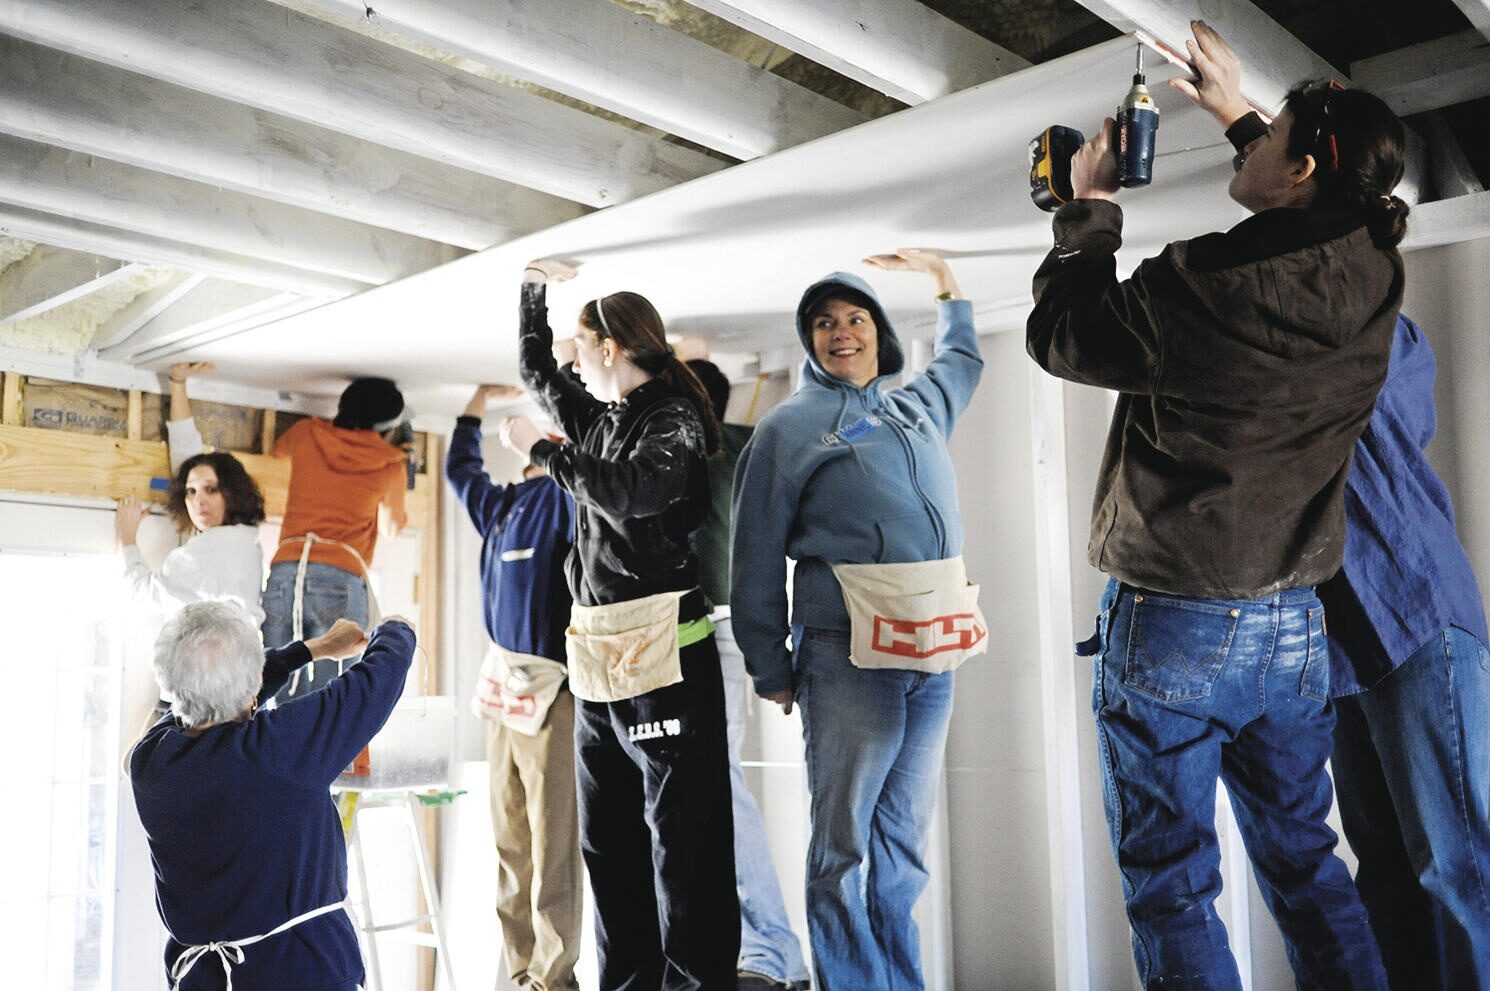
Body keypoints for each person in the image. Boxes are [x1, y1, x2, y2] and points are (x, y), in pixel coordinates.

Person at [1025, 20, 1408, 990]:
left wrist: (1090, 207)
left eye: (1272, 137)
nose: (1257, 141)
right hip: (1288, 626)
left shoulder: (1206, 287)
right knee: (1305, 863)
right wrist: (1239, 111)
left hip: (1173, 626)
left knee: (1170, 884)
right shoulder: (1373, 262)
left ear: (1300, 170)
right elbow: (1319, 203)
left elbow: (1063, 335)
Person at [730, 248, 985, 991]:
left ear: (879, 331)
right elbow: (753, 557)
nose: (842, 332)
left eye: (856, 318)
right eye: (824, 323)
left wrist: (944, 281)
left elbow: (963, 358)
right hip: (845, 652)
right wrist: (770, 665)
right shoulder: (787, 428)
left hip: (933, 650)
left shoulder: (917, 405)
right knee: (843, 845)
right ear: (809, 341)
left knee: (902, 845)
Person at [499, 258, 738, 991]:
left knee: (684, 850)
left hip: (667, 662)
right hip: (599, 660)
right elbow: (536, 367)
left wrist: (542, 452)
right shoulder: (600, 418)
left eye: (583, 347)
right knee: (609, 845)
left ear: (610, 347)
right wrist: (534, 286)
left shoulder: (673, 418)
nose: (574, 361)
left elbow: (632, 494)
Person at [1321, 312, 1490, 990]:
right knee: (1386, 871)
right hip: (1342, 640)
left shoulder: (1376, 324)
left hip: (1412, 614)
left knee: (1456, 867)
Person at [129, 601, 416, 991]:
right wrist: (396, 629)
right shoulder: (277, 752)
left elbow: (216, 696)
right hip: (302, 972)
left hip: (199, 980)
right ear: (250, 687)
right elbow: (373, 684)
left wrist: (314, 649)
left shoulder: (150, 758)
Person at [447, 383, 583, 991]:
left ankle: (554, 979)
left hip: (555, 692)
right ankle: (521, 972)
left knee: (554, 841)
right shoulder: (501, 508)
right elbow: (459, 468)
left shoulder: (569, 499)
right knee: (510, 840)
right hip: (503, 690)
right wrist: (475, 402)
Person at [687, 356, 811, 991]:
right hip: (735, 624)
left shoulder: (695, 454)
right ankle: (759, 949)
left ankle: (770, 950)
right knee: (712, 788)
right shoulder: (748, 446)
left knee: (719, 787)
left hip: (710, 627)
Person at [262, 376, 410, 699]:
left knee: (270, 678)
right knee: (334, 695)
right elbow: (392, 527)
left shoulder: (306, 434)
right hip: (340, 577)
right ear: (389, 425)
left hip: (286, 571)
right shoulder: (389, 464)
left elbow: (277, 452)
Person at [116, 361, 266, 625]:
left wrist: (126, 539)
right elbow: (187, 457)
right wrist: (178, 383)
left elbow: (143, 596)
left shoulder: (211, 548)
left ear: (232, 493)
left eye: (211, 490)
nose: (198, 501)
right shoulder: (242, 538)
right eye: (190, 492)